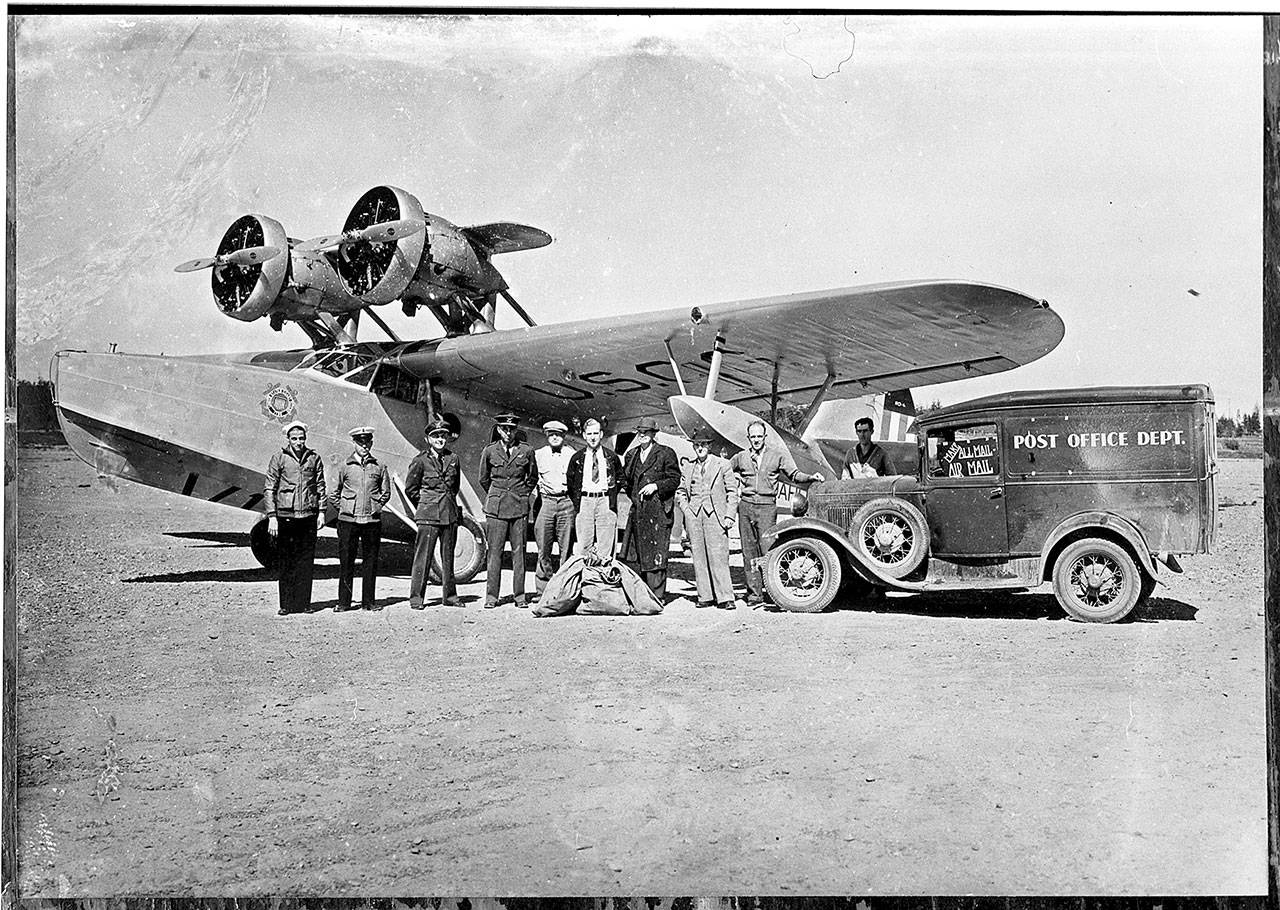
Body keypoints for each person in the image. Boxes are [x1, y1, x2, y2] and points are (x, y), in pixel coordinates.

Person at [729, 420, 826, 607]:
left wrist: (811, 477)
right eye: (753, 437)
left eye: (759, 436)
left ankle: (773, 591)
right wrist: (734, 477)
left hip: (767, 507)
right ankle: (754, 594)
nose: (756, 440)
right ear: (748, 438)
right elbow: (724, 469)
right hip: (746, 506)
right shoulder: (741, 457)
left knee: (768, 550)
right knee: (748, 551)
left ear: (764, 437)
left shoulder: (777, 455)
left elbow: (794, 475)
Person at [264, 420, 326, 616]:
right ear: (288, 440)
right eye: (295, 439)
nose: (299, 442)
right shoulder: (279, 458)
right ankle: (286, 605)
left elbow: (321, 486)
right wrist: (272, 516)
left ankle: (304, 604)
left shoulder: (314, 458)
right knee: (287, 561)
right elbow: (269, 488)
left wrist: (322, 512)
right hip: (286, 516)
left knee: (306, 561)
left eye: (301, 438)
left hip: (308, 515)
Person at [478, 413, 538, 608]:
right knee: (494, 553)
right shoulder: (489, 451)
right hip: (496, 509)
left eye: (512, 429)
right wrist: (497, 495)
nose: (508, 432)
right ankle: (491, 597)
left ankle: (519, 597)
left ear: (516, 430)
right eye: (505, 428)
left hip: (518, 507)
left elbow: (532, 477)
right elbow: (484, 478)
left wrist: (521, 494)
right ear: (498, 429)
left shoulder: (526, 451)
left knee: (519, 553)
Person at [329, 426, 391, 612]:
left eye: (367, 442)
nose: (364, 446)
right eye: (360, 442)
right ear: (354, 443)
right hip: (348, 521)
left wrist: (376, 507)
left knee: (370, 562)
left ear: (371, 443)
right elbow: (333, 494)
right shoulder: (344, 466)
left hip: (371, 521)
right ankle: (344, 603)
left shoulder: (379, 466)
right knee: (346, 561)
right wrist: (345, 509)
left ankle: (368, 602)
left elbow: (386, 492)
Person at [619, 416, 681, 602]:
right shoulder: (632, 455)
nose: (642, 435)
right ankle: (641, 595)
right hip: (638, 510)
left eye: (646, 432)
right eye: (640, 432)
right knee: (636, 553)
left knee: (656, 554)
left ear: (654, 434)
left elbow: (674, 479)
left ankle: (656, 596)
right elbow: (626, 480)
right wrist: (633, 496)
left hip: (658, 511)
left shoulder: (665, 453)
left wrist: (656, 486)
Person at [405, 418, 463, 609]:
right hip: (428, 515)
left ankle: (450, 597)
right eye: (436, 436)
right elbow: (411, 489)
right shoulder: (419, 461)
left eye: (443, 436)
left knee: (448, 557)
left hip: (449, 514)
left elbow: (455, 487)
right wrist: (425, 504)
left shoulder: (453, 459)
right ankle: (416, 598)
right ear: (428, 439)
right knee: (423, 557)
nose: (440, 439)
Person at [677, 433, 740, 609]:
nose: (700, 448)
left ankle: (726, 597)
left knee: (719, 556)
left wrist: (729, 515)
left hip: (716, 516)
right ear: (693, 447)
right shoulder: (688, 467)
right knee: (698, 556)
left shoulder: (723, 464)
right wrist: (687, 511)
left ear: (709, 446)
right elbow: (681, 491)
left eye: (703, 444)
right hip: (695, 516)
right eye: (696, 445)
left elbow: (732, 492)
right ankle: (705, 596)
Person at [566, 417, 624, 559]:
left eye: (595, 433)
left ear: (601, 434)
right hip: (585, 501)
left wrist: (611, 497)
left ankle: (605, 577)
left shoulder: (611, 457)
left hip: (604, 500)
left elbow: (620, 478)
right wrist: (579, 501)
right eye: (590, 434)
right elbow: (571, 482)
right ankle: (587, 577)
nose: (593, 437)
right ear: (585, 435)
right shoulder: (577, 458)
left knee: (606, 545)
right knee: (584, 543)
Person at [533, 419, 578, 596]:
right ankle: (542, 590)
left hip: (566, 502)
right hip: (546, 502)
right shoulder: (539, 455)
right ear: (546, 436)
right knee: (543, 547)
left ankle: (564, 588)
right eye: (551, 435)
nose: (554, 438)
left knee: (565, 548)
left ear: (563, 436)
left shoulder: (571, 454)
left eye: (558, 435)